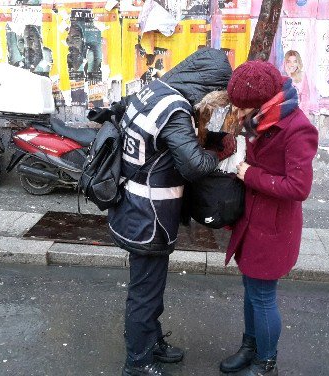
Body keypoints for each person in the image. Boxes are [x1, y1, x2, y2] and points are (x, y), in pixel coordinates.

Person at [109, 48, 233, 376]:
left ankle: (150, 342)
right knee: (144, 293)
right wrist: (219, 154)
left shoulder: (155, 90)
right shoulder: (175, 109)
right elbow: (193, 165)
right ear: (208, 85)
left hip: (132, 206)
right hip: (148, 216)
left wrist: (212, 133)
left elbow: (163, 143)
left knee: (150, 287)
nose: (212, 102)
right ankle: (138, 362)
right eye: (215, 95)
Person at [219, 61, 319, 376]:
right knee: (251, 289)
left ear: (261, 103)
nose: (237, 111)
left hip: (273, 228)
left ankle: (267, 362)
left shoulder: (297, 128)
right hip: (250, 221)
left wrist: (250, 174)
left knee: (262, 296)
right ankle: (251, 348)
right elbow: (241, 147)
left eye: (241, 107)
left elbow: (299, 187)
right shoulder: (260, 117)